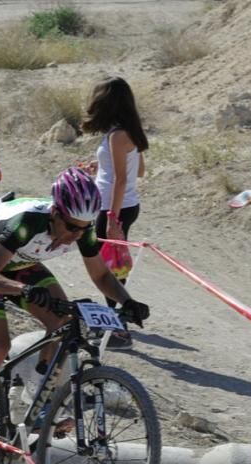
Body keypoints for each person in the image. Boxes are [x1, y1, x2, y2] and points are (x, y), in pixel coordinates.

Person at [0, 167, 150, 464]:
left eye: (82, 227)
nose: (74, 234)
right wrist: (23, 290)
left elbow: (100, 274)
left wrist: (127, 302)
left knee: (63, 321)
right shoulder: (28, 222)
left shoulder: (81, 228)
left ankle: (35, 398)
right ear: (56, 211)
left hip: (21, 264)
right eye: (70, 226)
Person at [82, 76, 148, 349]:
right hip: (121, 204)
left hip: (113, 208)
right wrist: (100, 170)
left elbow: (122, 179)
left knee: (105, 268)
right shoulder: (126, 132)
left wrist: (112, 219)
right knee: (110, 264)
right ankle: (116, 321)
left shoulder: (118, 135)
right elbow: (138, 171)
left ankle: (117, 329)